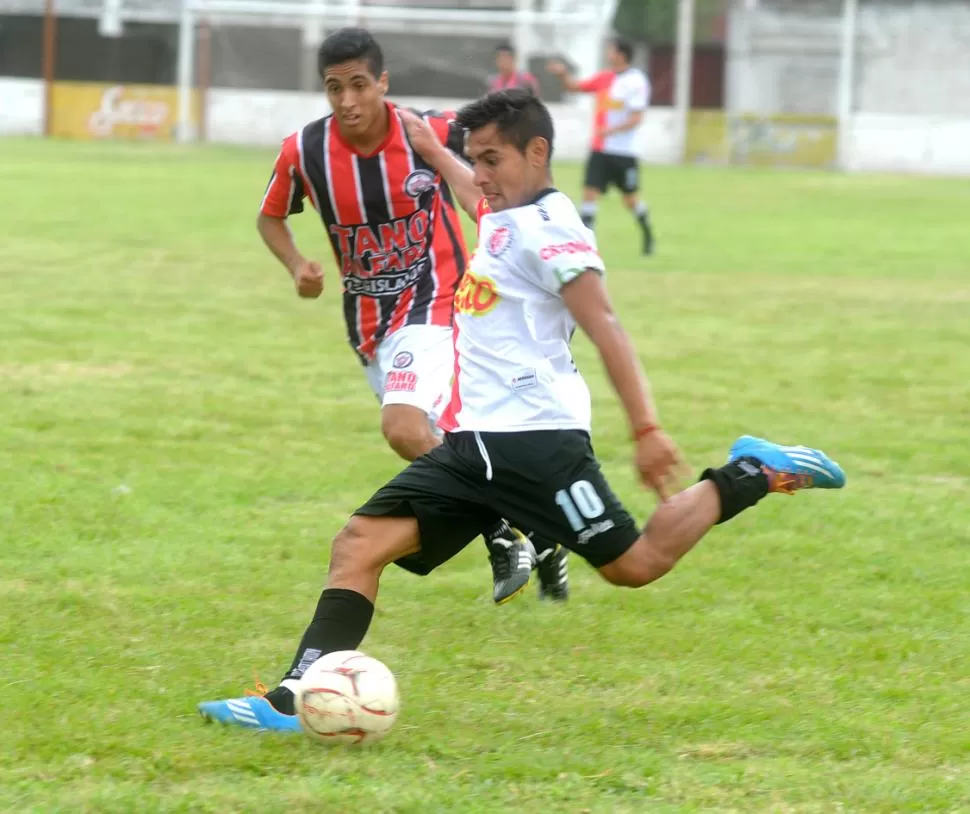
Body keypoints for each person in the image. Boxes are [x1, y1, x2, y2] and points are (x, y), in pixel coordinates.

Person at [199, 88, 845, 732]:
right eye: (473, 159)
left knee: (634, 566)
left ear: (537, 153)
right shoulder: (509, 210)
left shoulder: (554, 233)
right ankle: (292, 698)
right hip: (473, 446)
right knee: (358, 544)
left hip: (539, 445)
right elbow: (479, 202)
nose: (480, 173)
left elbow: (607, 326)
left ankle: (755, 473)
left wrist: (646, 428)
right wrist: (432, 149)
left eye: (492, 159)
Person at [258, 27, 564, 606]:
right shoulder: (304, 151)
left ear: (383, 82)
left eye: (358, 85)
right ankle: (541, 523)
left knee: (402, 427)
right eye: (333, 88)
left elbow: (505, 160)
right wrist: (297, 264)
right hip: (368, 322)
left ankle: (502, 535)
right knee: (434, 439)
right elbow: (270, 217)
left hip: (437, 300)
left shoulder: (432, 129)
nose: (347, 101)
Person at [548, 38, 655, 255]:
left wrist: (611, 131)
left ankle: (648, 234)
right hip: (599, 149)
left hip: (624, 153)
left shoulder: (636, 82)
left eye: (612, 50)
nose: (608, 53)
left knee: (630, 200)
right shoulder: (605, 77)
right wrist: (562, 74)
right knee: (589, 194)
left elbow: (636, 118)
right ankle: (587, 246)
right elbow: (574, 87)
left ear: (621, 54)